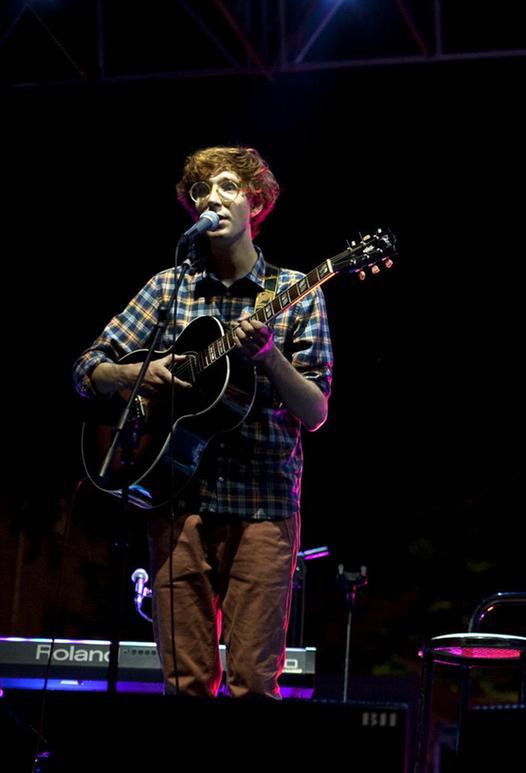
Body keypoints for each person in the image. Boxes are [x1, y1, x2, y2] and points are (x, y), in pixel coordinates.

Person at [73, 146, 333, 699]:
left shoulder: (293, 294)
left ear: (256, 203)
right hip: (173, 503)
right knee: (184, 685)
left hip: (262, 506)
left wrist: (270, 356)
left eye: (226, 187)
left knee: (253, 685)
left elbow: (315, 412)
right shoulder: (168, 288)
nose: (210, 199)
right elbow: (87, 370)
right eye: (199, 192)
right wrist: (136, 375)